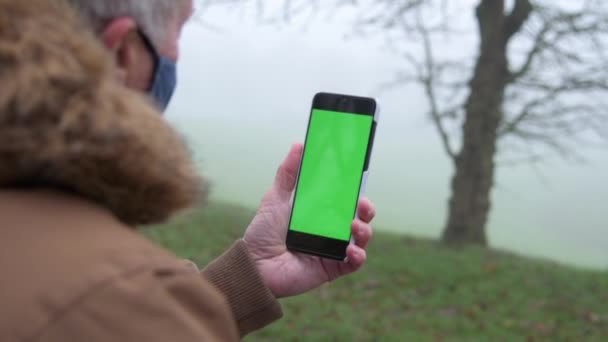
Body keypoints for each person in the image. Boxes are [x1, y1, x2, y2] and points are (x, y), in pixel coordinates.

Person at [0, 0, 376, 341]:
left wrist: (247, 278)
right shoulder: (104, 297)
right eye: (178, 29)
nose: (177, 54)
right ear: (122, 54)